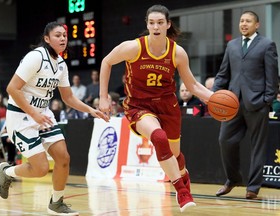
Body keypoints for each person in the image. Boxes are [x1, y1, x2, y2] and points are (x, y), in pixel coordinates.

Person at [99, 5, 213, 212]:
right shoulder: (133, 47)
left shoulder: (177, 52)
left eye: (160, 22)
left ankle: (182, 177)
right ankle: (181, 190)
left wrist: (213, 99)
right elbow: (106, 62)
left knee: (175, 156)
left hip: (167, 105)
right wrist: (103, 97)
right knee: (158, 137)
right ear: (147, 25)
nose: (156, 26)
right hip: (139, 106)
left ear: (168, 24)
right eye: (151, 23)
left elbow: (193, 85)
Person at [0, 21, 109, 216]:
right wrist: (33, 113)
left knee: (63, 158)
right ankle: (7, 172)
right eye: (58, 35)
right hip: (21, 115)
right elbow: (12, 88)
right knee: (40, 169)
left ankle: (56, 203)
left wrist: (91, 110)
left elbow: (68, 98)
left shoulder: (61, 65)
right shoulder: (36, 57)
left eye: (64, 35)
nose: (63, 38)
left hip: (43, 115)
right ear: (47, 39)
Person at [212, 11, 278, 199]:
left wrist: (267, 100)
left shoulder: (267, 45)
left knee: (258, 146)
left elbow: (272, 76)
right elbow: (223, 73)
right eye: (241, 21)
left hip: (257, 103)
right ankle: (233, 179)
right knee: (225, 140)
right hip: (232, 103)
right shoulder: (232, 45)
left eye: (248, 21)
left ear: (257, 25)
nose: (244, 24)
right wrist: (213, 94)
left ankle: (253, 187)